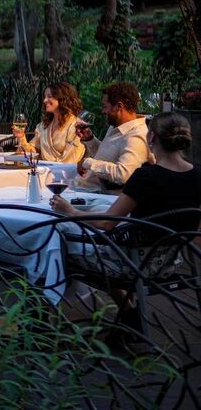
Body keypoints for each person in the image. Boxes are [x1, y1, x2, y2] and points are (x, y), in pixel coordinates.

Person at [50, 113, 201, 336]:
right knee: (115, 245)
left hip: (134, 265)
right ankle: (129, 319)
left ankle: (45, 317)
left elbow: (106, 223)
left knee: (59, 245)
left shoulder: (147, 177)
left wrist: (69, 211)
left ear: (151, 138)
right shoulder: (197, 174)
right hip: (171, 261)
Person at [75, 82, 152, 193]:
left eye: (105, 106)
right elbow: (107, 158)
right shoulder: (116, 126)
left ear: (119, 107)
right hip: (83, 188)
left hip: (96, 197)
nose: (103, 111)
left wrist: (87, 163)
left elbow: (123, 174)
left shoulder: (136, 136)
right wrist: (90, 140)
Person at [13, 81, 85, 163]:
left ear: (63, 99)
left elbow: (70, 160)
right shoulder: (44, 126)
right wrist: (21, 137)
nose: (44, 100)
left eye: (49, 96)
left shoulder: (77, 126)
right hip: (43, 171)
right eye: (45, 96)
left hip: (65, 173)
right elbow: (32, 153)